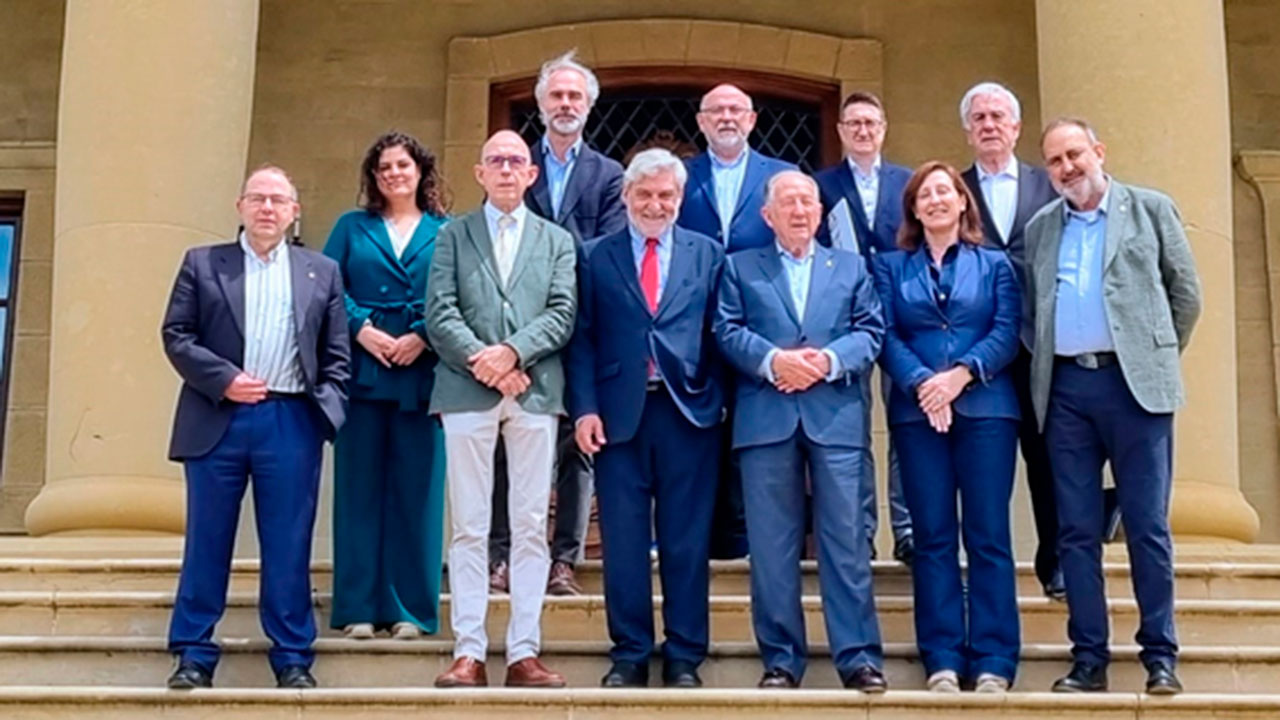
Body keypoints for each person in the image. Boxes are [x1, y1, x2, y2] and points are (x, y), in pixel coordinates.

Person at [1027, 118, 1201, 695]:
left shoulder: (1150, 209)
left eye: (1074, 154)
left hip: (1135, 390)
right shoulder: (1041, 227)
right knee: (1075, 531)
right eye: (1054, 161)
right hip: (1069, 392)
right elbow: (1034, 310)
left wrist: (1150, 355)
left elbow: (1186, 294)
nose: (1066, 168)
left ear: (1098, 151)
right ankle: (1088, 657)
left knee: (1147, 525)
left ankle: (1160, 654)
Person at [161, 165, 350, 690]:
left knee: (289, 542)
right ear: (240, 206)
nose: (268, 208)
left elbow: (336, 355)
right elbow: (177, 335)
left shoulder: (321, 272)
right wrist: (225, 381)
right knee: (207, 539)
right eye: (258, 198)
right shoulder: (203, 264)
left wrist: (326, 415)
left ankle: (291, 654)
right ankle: (194, 653)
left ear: (294, 212)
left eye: (279, 200)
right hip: (216, 418)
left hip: (290, 420)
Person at [715, 170, 886, 691]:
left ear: (819, 212)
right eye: (787, 203)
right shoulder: (740, 267)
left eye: (807, 203)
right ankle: (782, 659)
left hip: (834, 419)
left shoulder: (852, 267)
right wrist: (773, 362)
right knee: (772, 546)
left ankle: (857, 656)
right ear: (768, 216)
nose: (798, 211)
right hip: (767, 419)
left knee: (846, 542)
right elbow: (726, 328)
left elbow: (871, 329)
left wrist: (828, 361)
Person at [568, 149, 725, 689]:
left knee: (686, 540)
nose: (655, 205)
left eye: (666, 196)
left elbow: (719, 335)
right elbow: (582, 339)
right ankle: (630, 652)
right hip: (617, 417)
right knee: (624, 539)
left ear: (680, 200)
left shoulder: (708, 254)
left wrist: (719, 401)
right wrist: (584, 408)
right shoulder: (594, 256)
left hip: (689, 412)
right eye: (645, 195)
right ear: (627, 197)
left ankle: (684, 654)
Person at [427, 130, 577, 689]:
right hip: (467, 390)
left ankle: (523, 652)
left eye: (517, 161)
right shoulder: (452, 236)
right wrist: (483, 362)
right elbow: (439, 310)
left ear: (532, 174)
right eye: (497, 161)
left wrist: (514, 353)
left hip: (536, 392)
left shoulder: (557, 240)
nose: (508, 170)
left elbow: (563, 312)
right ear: (479, 172)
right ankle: (469, 651)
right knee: (468, 526)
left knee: (531, 524)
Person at [873, 161, 1022, 694]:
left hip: (986, 412)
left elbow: (1006, 332)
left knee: (987, 537)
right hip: (917, 416)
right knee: (932, 537)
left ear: (963, 202)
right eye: (924, 194)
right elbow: (884, 334)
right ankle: (941, 656)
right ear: (913, 208)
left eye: (945, 191)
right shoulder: (890, 268)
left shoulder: (996, 265)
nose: (935, 200)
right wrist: (923, 384)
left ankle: (994, 660)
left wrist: (959, 378)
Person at [490, 50, 628, 597]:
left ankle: (563, 561)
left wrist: (546, 254)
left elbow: (607, 251)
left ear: (589, 106)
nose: (565, 104)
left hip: (581, 325)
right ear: (541, 104)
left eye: (575, 96)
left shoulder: (610, 175)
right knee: (508, 446)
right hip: (519, 329)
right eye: (556, 96)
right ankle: (503, 558)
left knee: (577, 447)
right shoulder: (515, 164)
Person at [322, 131, 449, 641]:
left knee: (417, 495)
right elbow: (328, 286)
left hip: (423, 377)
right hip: (363, 374)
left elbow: (456, 292)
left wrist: (422, 336)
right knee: (358, 493)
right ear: (373, 178)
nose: (394, 174)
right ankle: (357, 606)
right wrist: (361, 329)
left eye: (403, 165)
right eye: (384, 168)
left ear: (420, 171)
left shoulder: (447, 230)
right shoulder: (352, 228)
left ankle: (410, 611)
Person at [679, 82, 795, 559]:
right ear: (702, 121)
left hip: (761, 326)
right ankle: (704, 535)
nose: (726, 117)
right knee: (700, 429)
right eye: (716, 111)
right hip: (693, 327)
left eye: (736, 110)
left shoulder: (783, 175)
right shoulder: (682, 176)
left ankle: (752, 538)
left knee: (757, 431)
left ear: (751, 121)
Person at [957, 81, 1064, 600]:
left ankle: (1058, 561)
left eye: (998, 116)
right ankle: (985, 577)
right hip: (979, 354)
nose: (989, 125)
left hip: (1042, 347)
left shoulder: (1050, 186)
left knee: (1050, 458)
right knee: (985, 472)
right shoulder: (950, 191)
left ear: (1017, 128)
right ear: (968, 130)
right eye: (979, 118)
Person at [815, 90, 914, 564]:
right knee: (851, 428)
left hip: (902, 316)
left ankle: (908, 530)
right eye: (852, 123)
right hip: (844, 320)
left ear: (884, 127)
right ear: (840, 131)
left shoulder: (908, 183)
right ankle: (861, 533)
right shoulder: (821, 185)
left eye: (870, 122)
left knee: (906, 424)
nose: (862, 130)